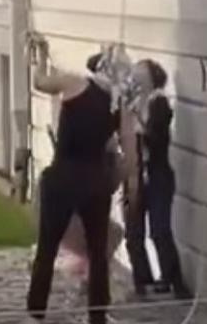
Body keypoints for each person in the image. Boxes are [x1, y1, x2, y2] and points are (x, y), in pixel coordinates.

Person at [27, 48, 120, 324]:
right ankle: (97, 314)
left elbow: (40, 82)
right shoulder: (118, 103)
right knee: (98, 251)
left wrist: (36, 57)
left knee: (47, 247)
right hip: (95, 180)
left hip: (64, 177)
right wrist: (113, 184)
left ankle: (36, 310)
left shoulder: (75, 83)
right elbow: (126, 154)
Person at [125, 59, 189, 300]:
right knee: (133, 233)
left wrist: (137, 123)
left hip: (158, 174)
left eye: (140, 72)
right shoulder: (131, 102)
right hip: (134, 175)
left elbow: (156, 139)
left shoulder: (158, 103)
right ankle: (143, 281)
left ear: (152, 77)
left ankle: (175, 281)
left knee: (160, 230)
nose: (135, 75)